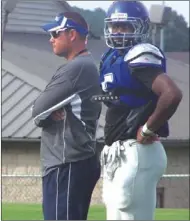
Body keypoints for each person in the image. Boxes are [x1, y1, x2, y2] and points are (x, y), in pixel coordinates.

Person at [97, 1, 182, 220]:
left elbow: (171, 94)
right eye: (115, 26)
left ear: (140, 27)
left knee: (132, 213)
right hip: (118, 150)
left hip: (138, 150)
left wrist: (147, 128)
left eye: (125, 26)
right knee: (116, 213)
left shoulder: (140, 55)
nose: (118, 32)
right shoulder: (110, 57)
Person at [31, 11, 101, 220]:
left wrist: (47, 113)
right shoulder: (84, 65)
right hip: (73, 162)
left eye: (55, 33)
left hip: (67, 162)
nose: (51, 39)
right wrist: (47, 112)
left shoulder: (76, 68)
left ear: (72, 34)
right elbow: (43, 110)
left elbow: (37, 111)